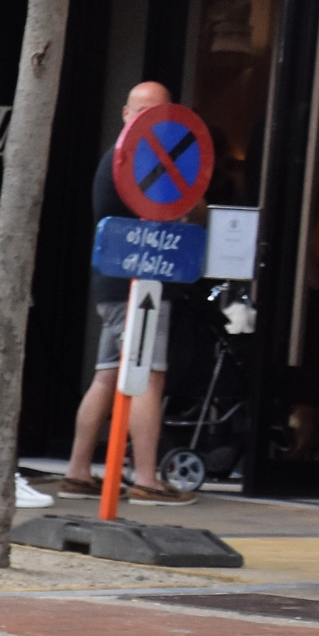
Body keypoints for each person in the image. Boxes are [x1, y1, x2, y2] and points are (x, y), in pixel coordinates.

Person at [59, 80, 191, 504]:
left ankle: (79, 471)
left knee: (110, 373)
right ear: (125, 113)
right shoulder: (135, 158)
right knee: (148, 376)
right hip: (140, 284)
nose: (153, 119)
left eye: (160, 111)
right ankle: (147, 478)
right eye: (146, 111)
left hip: (118, 283)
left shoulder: (121, 156)